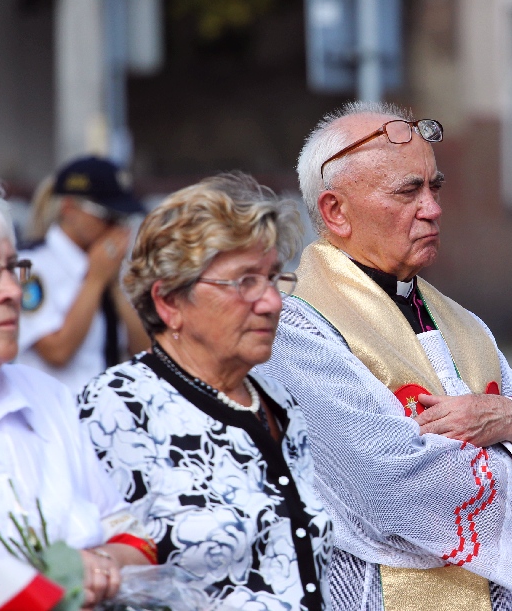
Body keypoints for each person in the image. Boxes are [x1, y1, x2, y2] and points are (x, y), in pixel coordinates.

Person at [263, 101, 512, 611]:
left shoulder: (461, 322)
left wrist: (510, 418)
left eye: (434, 188)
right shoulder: (295, 327)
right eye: (407, 191)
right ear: (335, 211)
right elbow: (392, 484)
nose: (432, 208)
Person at [78, 173, 332, 611]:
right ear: (169, 302)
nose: (272, 302)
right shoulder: (119, 404)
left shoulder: (277, 400)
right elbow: (97, 565)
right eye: (244, 281)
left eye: (273, 278)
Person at [0, 184, 155, 606]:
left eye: (13, 267)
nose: (12, 291)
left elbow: (134, 539)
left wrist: (94, 564)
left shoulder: (48, 399)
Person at [16, 155, 149, 389]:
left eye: (122, 218)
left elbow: (144, 352)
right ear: (69, 208)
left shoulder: (111, 266)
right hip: (55, 406)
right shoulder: (30, 265)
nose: (115, 227)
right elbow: (57, 351)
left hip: (108, 406)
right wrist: (95, 280)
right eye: (106, 215)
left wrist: (115, 286)